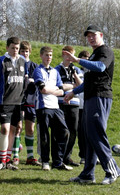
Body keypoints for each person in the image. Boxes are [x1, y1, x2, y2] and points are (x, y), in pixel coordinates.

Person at [63, 25, 120, 184]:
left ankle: (113, 170)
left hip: (100, 96)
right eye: (87, 36)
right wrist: (73, 92)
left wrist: (78, 60)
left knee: (96, 134)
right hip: (90, 97)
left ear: (101, 35)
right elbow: (88, 81)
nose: (90, 38)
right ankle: (87, 175)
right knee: (89, 136)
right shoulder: (95, 54)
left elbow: (100, 67)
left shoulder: (105, 51)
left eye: (93, 35)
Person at [33, 46, 72, 171]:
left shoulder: (55, 71)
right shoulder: (38, 70)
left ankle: (58, 161)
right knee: (44, 136)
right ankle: (45, 161)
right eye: (46, 55)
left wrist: (53, 91)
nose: (48, 57)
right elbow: (42, 89)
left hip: (55, 106)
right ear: (41, 56)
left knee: (64, 132)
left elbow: (61, 90)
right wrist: (54, 90)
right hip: (43, 107)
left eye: (50, 55)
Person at [0, 37, 28, 170]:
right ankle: (1, 160)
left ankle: (7, 160)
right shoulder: (2, 61)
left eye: (17, 48)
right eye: (13, 48)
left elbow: (25, 80)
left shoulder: (23, 61)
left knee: (14, 130)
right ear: (7, 48)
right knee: (4, 129)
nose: (15, 50)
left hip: (18, 103)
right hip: (5, 102)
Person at [12, 41, 41, 166]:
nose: (24, 53)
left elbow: (40, 81)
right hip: (18, 100)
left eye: (26, 51)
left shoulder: (35, 66)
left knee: (30, 129)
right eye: (22, 51)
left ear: (30, 52)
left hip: (31, 101)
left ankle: (30, 157)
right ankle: (15, 156)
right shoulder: (16, 64)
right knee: (18, 127)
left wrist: (33, 81)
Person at [55, 46, 83, 167]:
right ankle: (58, 158)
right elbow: (59, 86)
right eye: (67, 55)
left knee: (73, 131)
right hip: (61, 103)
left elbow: (81, 85)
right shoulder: (56, 69)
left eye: (72, 55)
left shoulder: (76, 69)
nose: (70, 58)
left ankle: (67, 157)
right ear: (63, 55)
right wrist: (72, 85)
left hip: (74, 104)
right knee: (61, 131)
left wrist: (74, 74)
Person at [77, 50, 90, 164]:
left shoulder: (91, 72)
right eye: (83, 57)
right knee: (80, 132)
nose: (86, 59)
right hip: (78, 106)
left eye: (88, 57)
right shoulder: (77, 72)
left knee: (90, 131)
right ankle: (83, 156)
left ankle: (92, 155)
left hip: (89, 105)